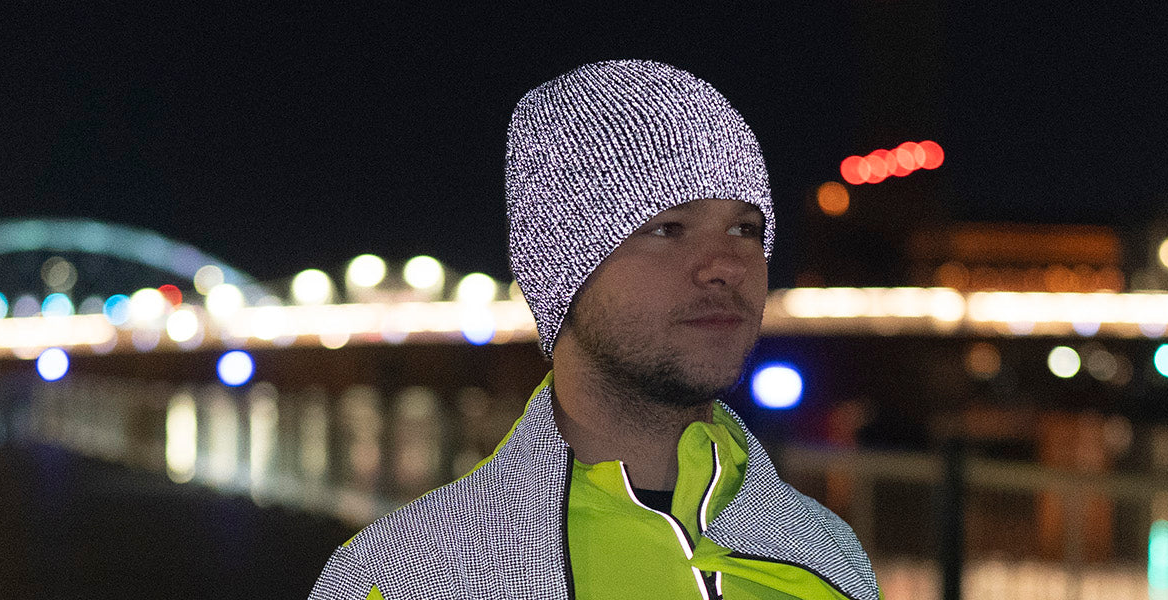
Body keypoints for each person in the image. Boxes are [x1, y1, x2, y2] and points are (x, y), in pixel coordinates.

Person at [308, 59, 877, 600]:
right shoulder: (408, 576)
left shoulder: (829, 557)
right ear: (558, 268)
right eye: (667, 228)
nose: (727, 264)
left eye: (746, 229)